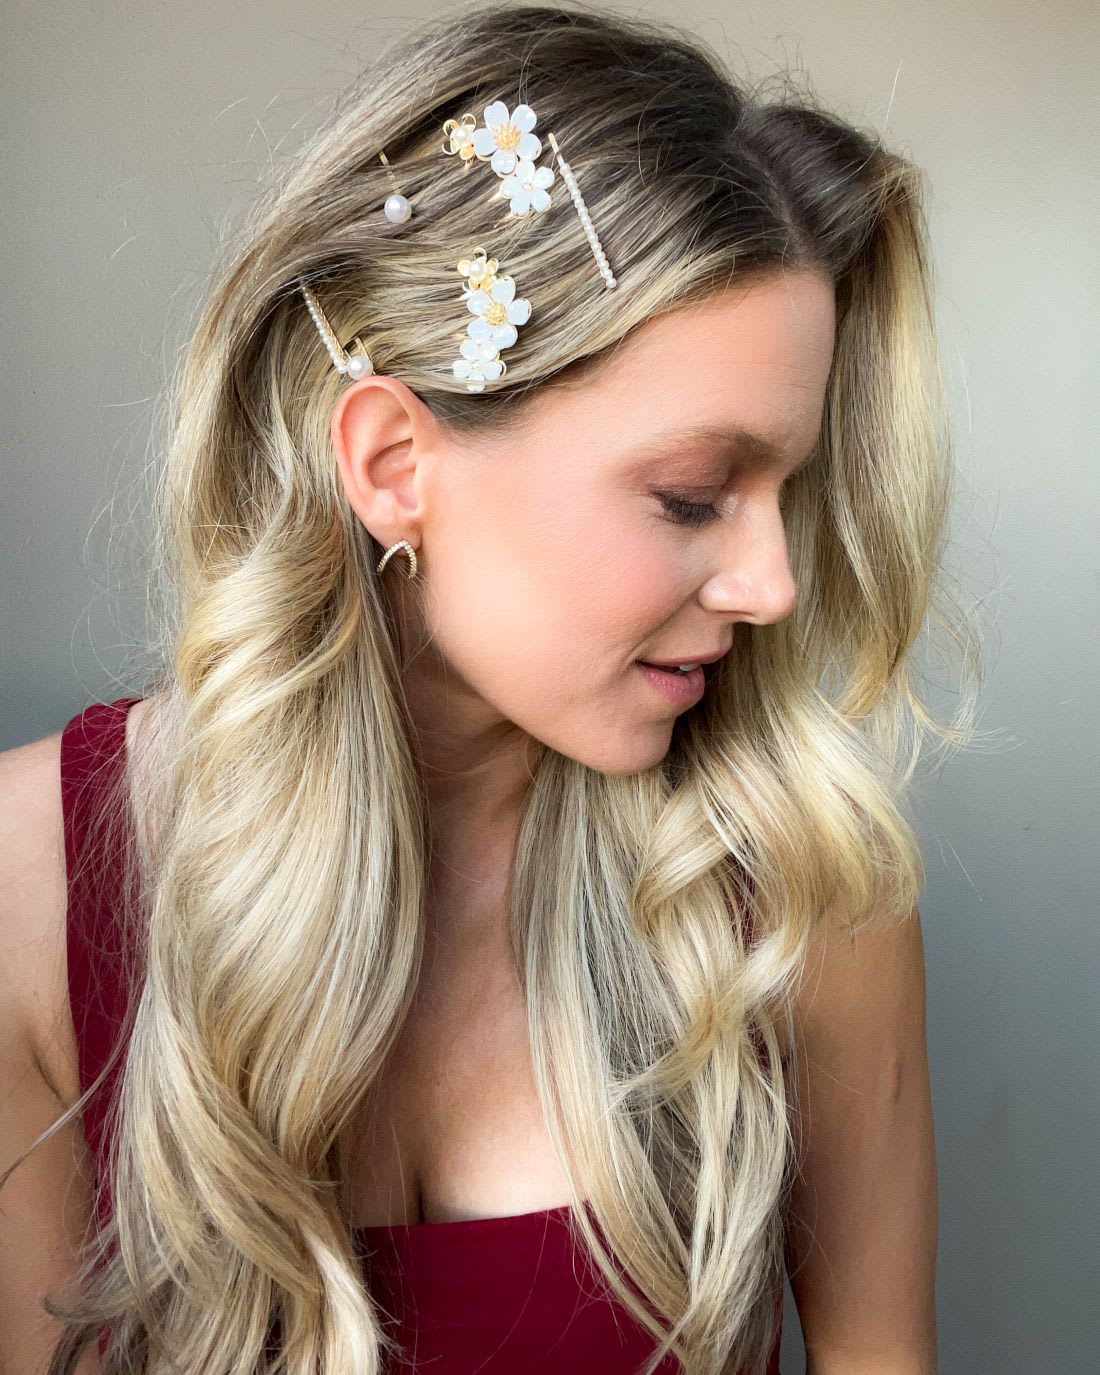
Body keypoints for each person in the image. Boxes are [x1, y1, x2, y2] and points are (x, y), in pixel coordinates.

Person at [0, 3, 980, 1372]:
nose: (772, 584)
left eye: (785, 493)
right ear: (396, 461)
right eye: (693, 493)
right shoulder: (29, 892)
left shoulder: (801, 894)